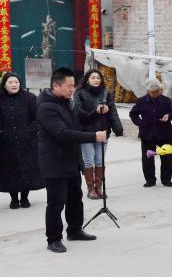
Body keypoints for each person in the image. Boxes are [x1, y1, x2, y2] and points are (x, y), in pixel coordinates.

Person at [36, 67, 107, 253]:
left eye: (73, 86)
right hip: (54, 162)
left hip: (71, 160)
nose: (72, 89)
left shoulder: (66, 102)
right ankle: (53, 239)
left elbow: (80, 120)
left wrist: (96, 112)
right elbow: (63, 133)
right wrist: (94, 137)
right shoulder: (46, 107)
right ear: (56, 86)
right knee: (56, 202)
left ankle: (75, 230)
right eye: (68, 86)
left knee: (75, 198)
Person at [73, 69, 124, 200]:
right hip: (86, 132)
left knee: (100, 160)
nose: (96, 80)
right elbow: (79, 114)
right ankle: (91, 189)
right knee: (89, 160)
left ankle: (99, 187)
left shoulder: (106, 93)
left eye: (98, 78)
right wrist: (96, 112)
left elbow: (113, 112)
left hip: (103, 131)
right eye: (93, 77)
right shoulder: (80, 93)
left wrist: (118, 128)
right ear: (87, 79)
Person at [0, 72, 44, 209]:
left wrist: (30, 131)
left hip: (27, 141)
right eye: (10, 82)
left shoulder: (29, 98)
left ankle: (25, 197)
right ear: (4, 85)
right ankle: (14, 198)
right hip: (6, 142)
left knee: (27, 168)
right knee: (10, 170)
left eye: (16, 82)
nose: (14, 85)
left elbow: (37, 117)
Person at [129, 79, 172, 188]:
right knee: (147, 159)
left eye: (157, 91)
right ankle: (150, 180)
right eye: (152, 92)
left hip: (164, 133)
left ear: (160, 90)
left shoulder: (166, 100)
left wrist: (168, 116)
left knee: (166, 157)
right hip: (147, 134)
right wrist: (140, 123)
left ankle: (166, 180)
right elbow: (133, 114)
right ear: (148, 91)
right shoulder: (141, 101)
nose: (155, 94)